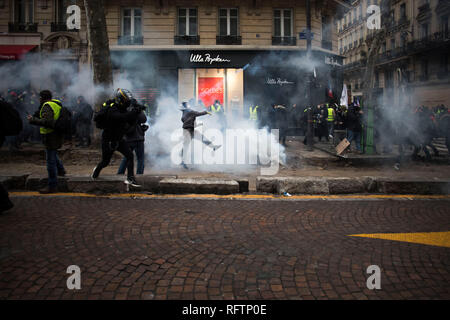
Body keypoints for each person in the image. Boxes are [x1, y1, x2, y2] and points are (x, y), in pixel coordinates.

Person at [92, 89, 143, 187]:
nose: (127, 103)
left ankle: (130, 178)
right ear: (120, 100)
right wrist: (133, 112)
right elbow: (122, 117)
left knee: (130, 156)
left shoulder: (122, 108)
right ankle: (97, 170)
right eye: (126, 101)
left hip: (119, 138)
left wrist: (137, 110)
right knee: (105, 161)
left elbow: (130, 120)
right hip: (108, 140)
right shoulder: (112, 109)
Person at [27, 90, 66, 194]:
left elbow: (48, 122)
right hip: (55, 134)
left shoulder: (47, 106)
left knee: (50, 161)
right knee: (53, 154)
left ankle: (52, 185)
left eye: (39, 98)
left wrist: (33, 120)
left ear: (41, 98)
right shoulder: (55, 103)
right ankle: (61, 170)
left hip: (50, 135)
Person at [180, 101, 221, 170]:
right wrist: (206, 112)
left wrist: (199, 124)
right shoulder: (190, 112)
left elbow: (192, 123)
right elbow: (198, 113)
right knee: (186, 146)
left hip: (190, 130)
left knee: (199, 139)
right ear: (186, 106)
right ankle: (183, 162)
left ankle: (213, 147)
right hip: (188, 131)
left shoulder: (185, 113)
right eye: (187, 104)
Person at [117, 107, 147, 175]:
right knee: (140, 158)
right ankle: (139, 175)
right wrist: (139, 110)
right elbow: (144, 119)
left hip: (128, 139)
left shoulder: (123, 110)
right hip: (138, 139)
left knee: (126, 157)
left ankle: (120, 173)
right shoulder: (136, 110)